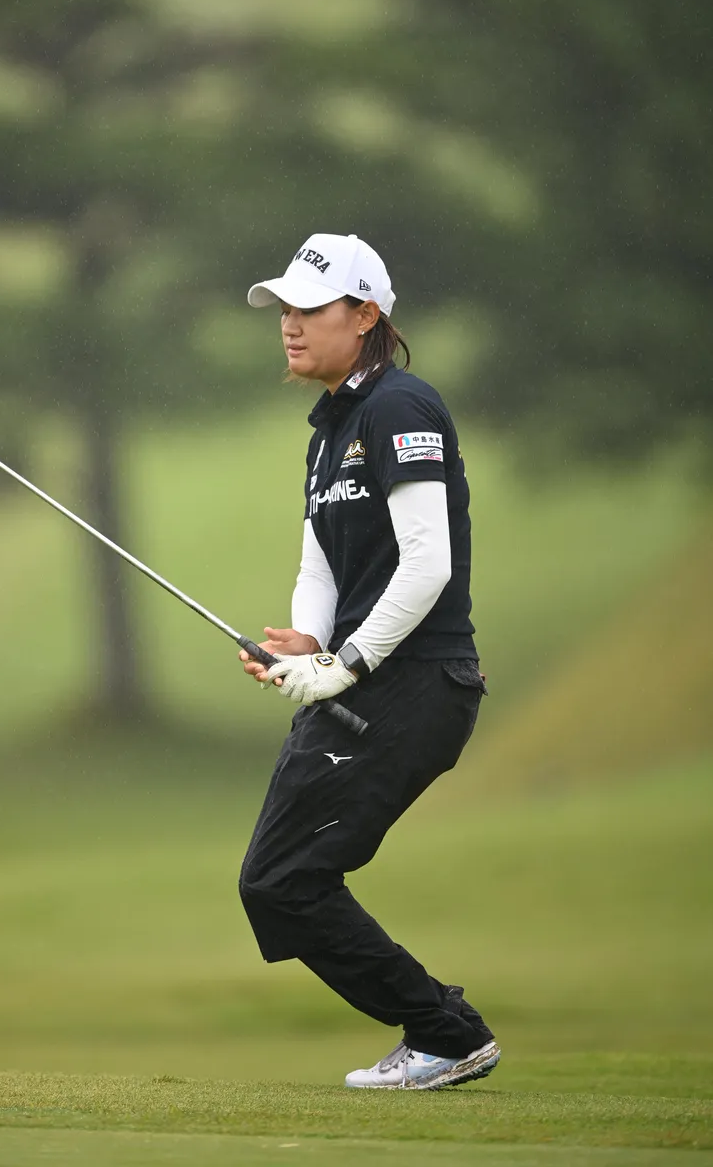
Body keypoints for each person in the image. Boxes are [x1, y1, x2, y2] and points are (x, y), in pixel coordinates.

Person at [237, 233, 500, 1091]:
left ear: (363, 315)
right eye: (284, 308)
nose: (289, 323)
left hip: (414, 683)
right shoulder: (329, 430)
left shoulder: (400, 406)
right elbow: (321, 566)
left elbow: (427, 565)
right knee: (277, 881)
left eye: (309, 308)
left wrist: (343, 664)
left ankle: (446, 1035)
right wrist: (306, 643)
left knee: (286, 879)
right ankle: (442, 1032)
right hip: (366, 682)